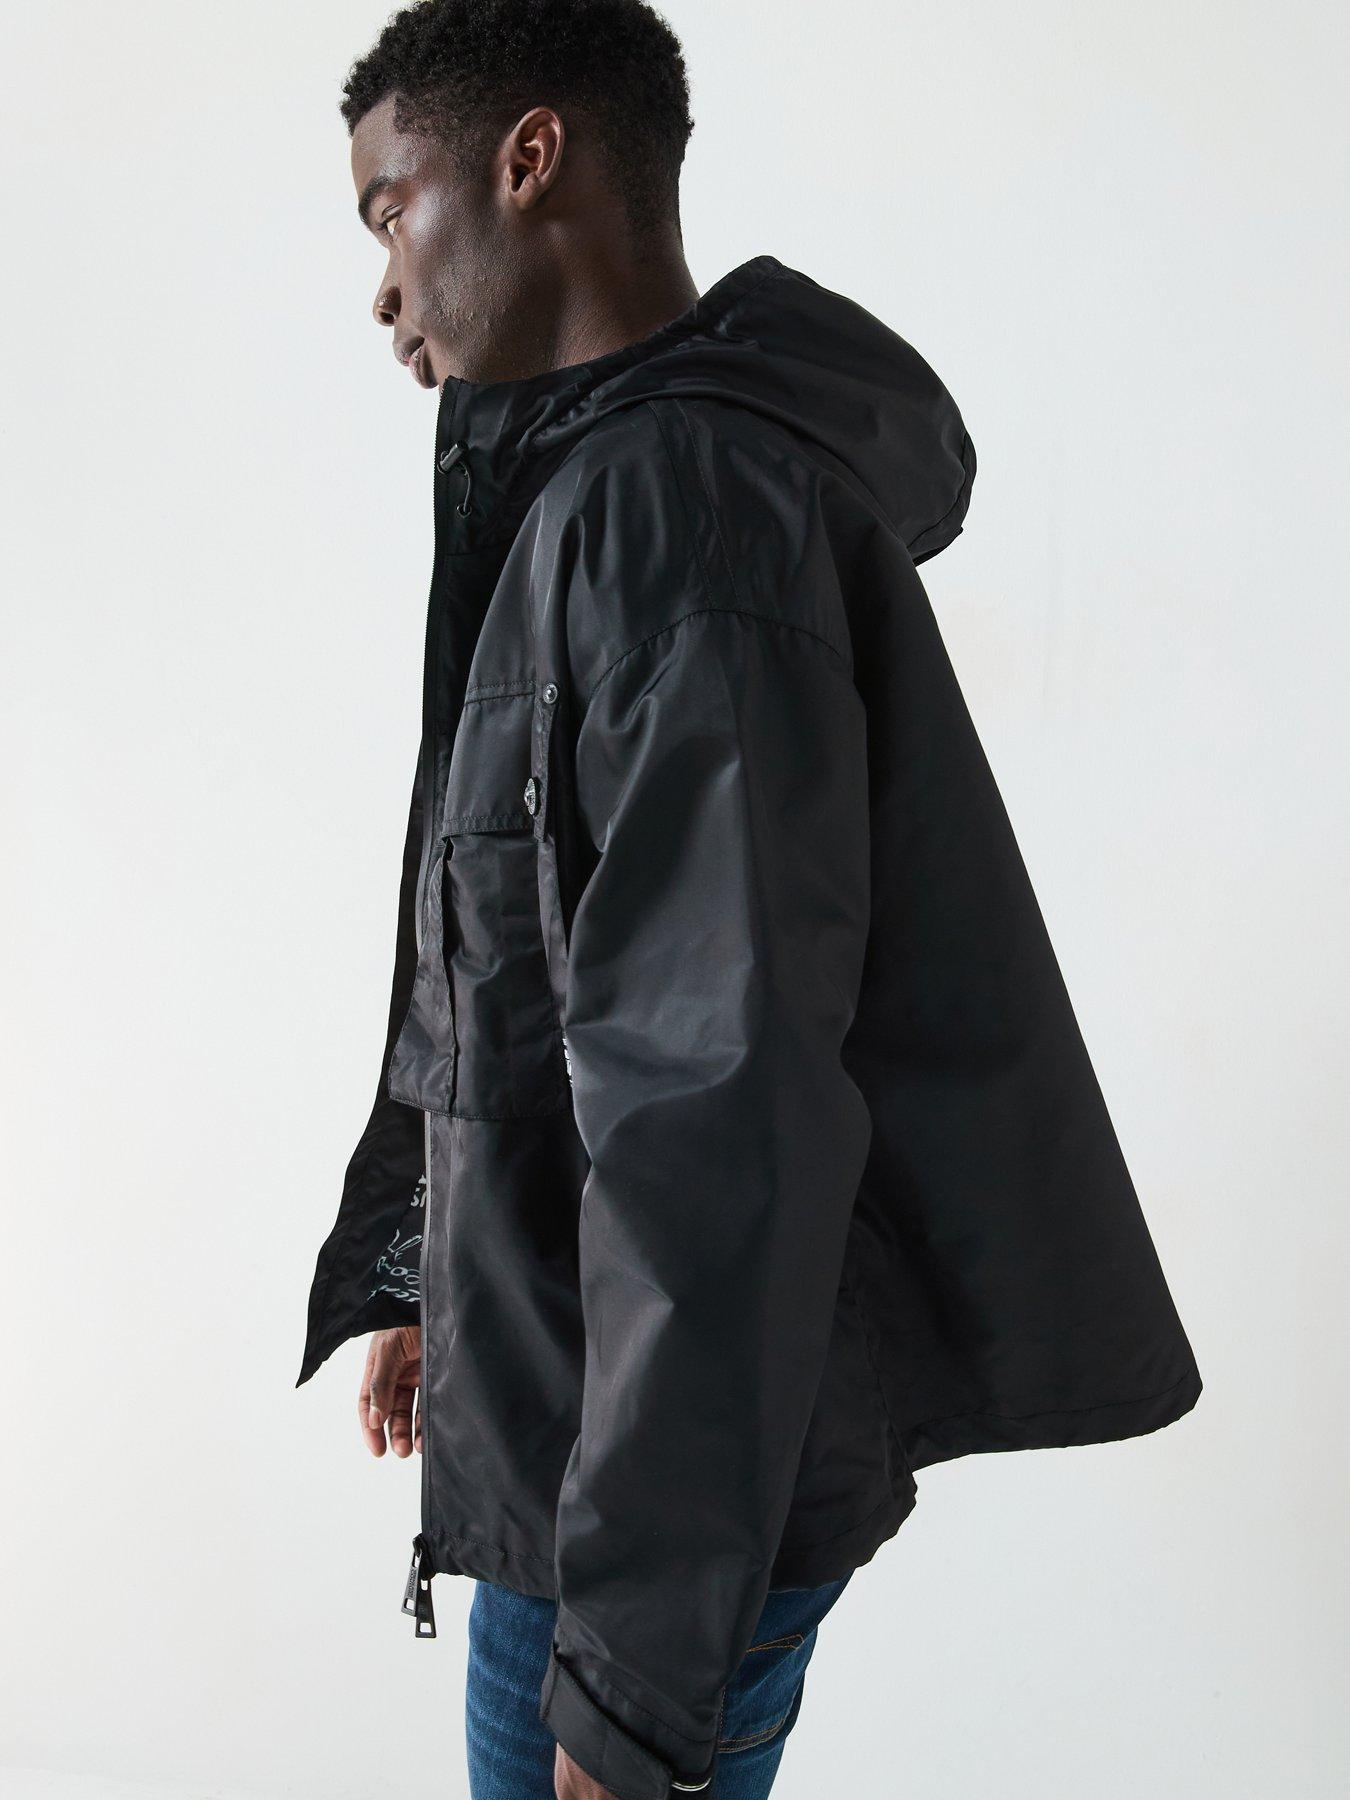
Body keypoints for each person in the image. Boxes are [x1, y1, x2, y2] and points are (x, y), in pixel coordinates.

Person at [297, 4, 1204, 1797]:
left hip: (651, 1507)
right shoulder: (596, 493)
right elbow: (524, 970)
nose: (383, 288)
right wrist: (434, 1263)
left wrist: (636, 1680)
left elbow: (715, 1115)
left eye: (391, 210)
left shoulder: (674, 514)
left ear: (528, 160)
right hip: (594, 1431)